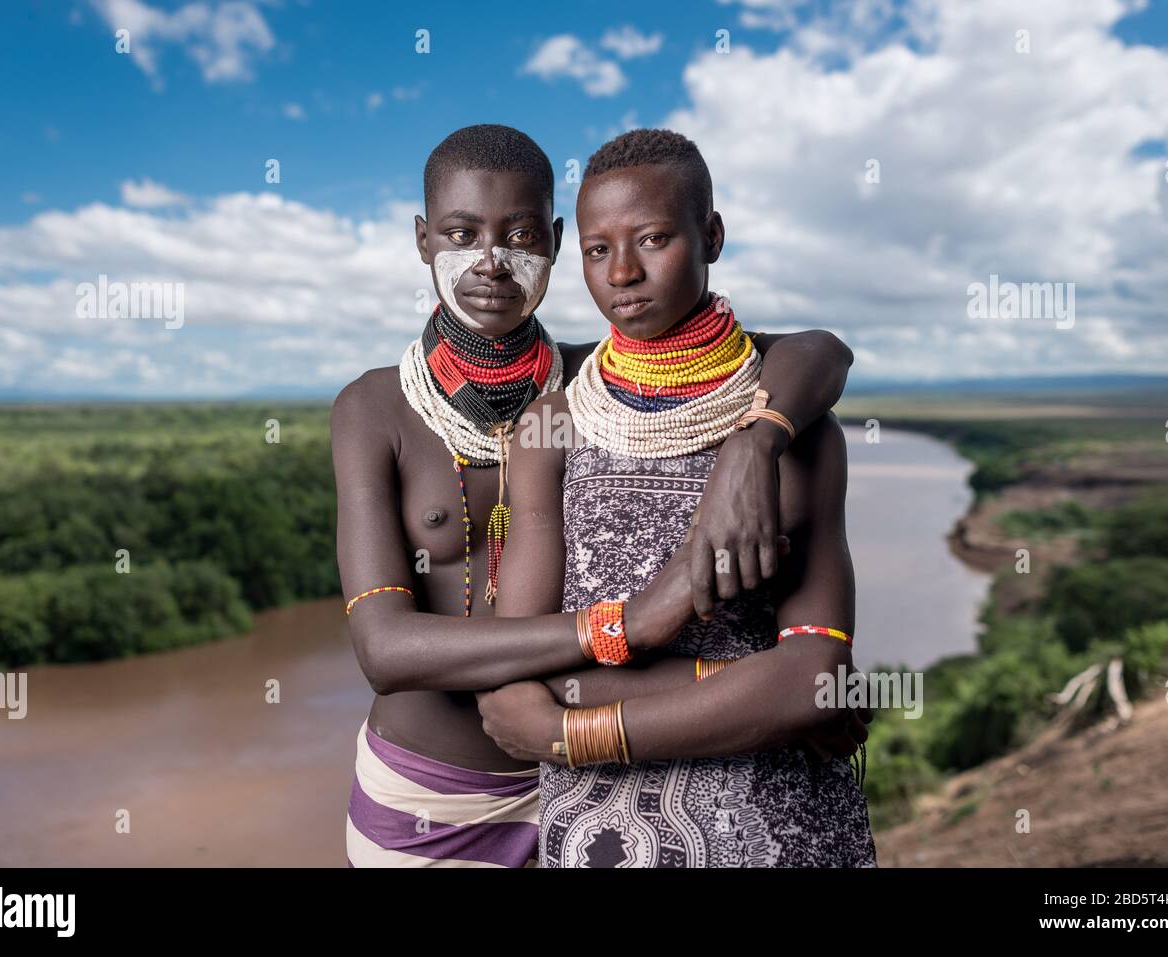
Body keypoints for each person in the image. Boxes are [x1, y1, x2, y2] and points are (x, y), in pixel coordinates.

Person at [331, 124, 857, 867]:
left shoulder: (598, 380)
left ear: (551, 241)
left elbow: (816, 350)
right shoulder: (374, 408)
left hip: (580, 791)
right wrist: (633, 625)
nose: (489, 262)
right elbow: (385, 650)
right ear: (423, 240)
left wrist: (756, 440)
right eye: (460, 234)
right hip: (432, 797)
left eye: (518, 236)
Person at [477, 128, 876, 867]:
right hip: (598, 831)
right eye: (597, 250)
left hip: (775, 829)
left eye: (653, 238)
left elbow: (812, 683)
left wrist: (568, 732)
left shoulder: (798, 429)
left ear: (712, 235)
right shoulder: (551, 428)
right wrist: (732, 681)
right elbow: (513, 677)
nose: (623, 272)